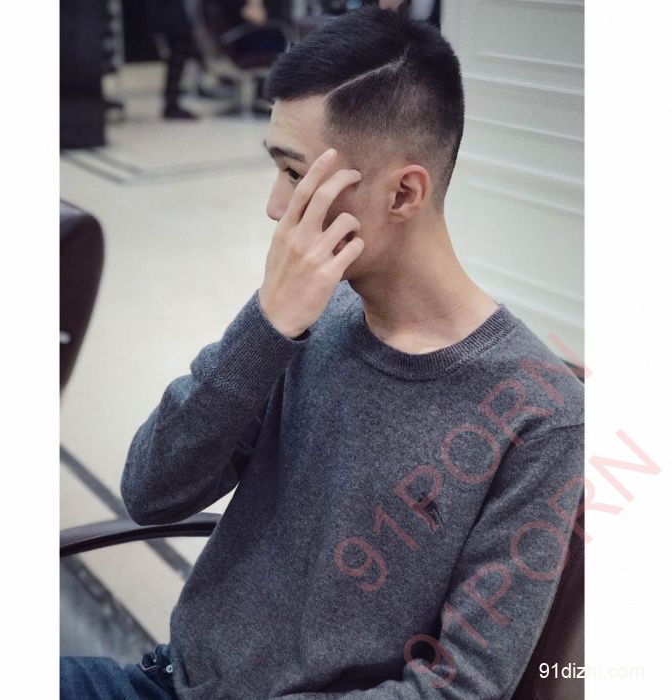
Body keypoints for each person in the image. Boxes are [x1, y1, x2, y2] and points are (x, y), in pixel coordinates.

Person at [61, 6, 584, 698]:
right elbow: (151, 491)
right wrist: (266, 327)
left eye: (295, 173)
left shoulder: (539, 416)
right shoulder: (308, 314)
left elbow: (461, 688)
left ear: (403, 192)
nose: (276, 206)